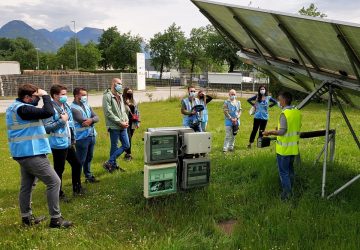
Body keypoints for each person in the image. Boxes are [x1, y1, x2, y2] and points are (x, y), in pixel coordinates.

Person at [6, 83, 72, 228]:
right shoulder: (22, 109)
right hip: (31, 153)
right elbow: (48, 112)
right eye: (36, 97)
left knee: (27, 185)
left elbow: (42, 112)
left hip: (25, 152)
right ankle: (56, 219)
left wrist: (42, 97)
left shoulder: (19, 108)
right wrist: (46, 96)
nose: (39, 100)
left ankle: (27, 219)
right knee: (54, 182)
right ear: (27, 97)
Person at [43, 84, 84, 200]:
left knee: (77, 164)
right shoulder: (50, 108)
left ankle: (77, 188)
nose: (65, 96)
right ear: (55, 95)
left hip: (68, 143)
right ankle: (58, 194)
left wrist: (73, 138)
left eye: (66, 94)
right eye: (63, 94)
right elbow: (47, 128)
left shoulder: (65, 106)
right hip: (58, 144)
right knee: (59, 170)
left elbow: (70, 124)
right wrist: (61, 121)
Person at [262, 91, 302, 201]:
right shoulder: (296, 112)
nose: (278, 102)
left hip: (283, 150)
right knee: (290, 170)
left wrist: (269, 132)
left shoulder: (284, 113)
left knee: (283, 173)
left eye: (279, 100)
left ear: (284, 101)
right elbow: (293, 127)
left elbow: (282, 132)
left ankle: (286, 195)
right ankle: (292, 189)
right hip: (293, 148)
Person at [71, 87, 99, 183]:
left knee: (89, 157)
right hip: (81, 137)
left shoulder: (86, 105)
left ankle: (88, 175)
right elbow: (82, 120)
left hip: (91, 135)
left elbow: (97, 117)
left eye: (86, 95)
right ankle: (77, 181)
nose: (85, 97)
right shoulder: (73, 108)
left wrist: (91, 120)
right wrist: (92, 119)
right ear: (76, 96)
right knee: (80, 160)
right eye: (83, 95)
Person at [102, 78, 129, 172]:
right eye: (118, 83)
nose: (120, 85)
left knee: (126, 145)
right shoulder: (107, 96)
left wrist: (126, 120)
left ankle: (110, 162)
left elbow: (123, 110)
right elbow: (108, 113)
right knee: (114, 146)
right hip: (114, 126)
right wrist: (119, 122)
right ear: (113, 83)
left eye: (121, 84)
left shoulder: (120, 95)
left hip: (123, 125)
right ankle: (112, 166)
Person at [123, 87, 140, 161]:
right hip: (126, 122)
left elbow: (137, 112)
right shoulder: (122, 102)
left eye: (131, 92)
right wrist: (126, 104)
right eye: (128, 92)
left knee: (130, 138)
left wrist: (138, 122)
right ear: (125, 92)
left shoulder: (133, 101)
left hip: (133, 122)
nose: (130, 93)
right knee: (128, 138)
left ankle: (126, 153)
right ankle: (128, 155)